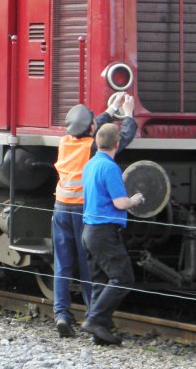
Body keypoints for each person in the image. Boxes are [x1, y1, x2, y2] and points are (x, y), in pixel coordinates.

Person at [51, 95, 136, 338]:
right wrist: (127, 114)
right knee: (88, 265)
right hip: (82, 211)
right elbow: (121, 138)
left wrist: (111, 109)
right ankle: (93, 314)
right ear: (91, 130)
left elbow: (91, 126)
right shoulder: (91, 148)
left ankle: (61, 315)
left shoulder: (65, 142)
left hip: (60, 208)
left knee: (63, 264)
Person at [80, 123, 145, 345]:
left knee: (100, 280)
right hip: (104, 231)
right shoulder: (110, 168)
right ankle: (96, 321)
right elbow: (120, 202)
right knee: (123, 278)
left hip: (89, 231)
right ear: (117, 144)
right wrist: (134, 200)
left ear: (98, 142)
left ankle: (100, 332)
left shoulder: (90, 164)